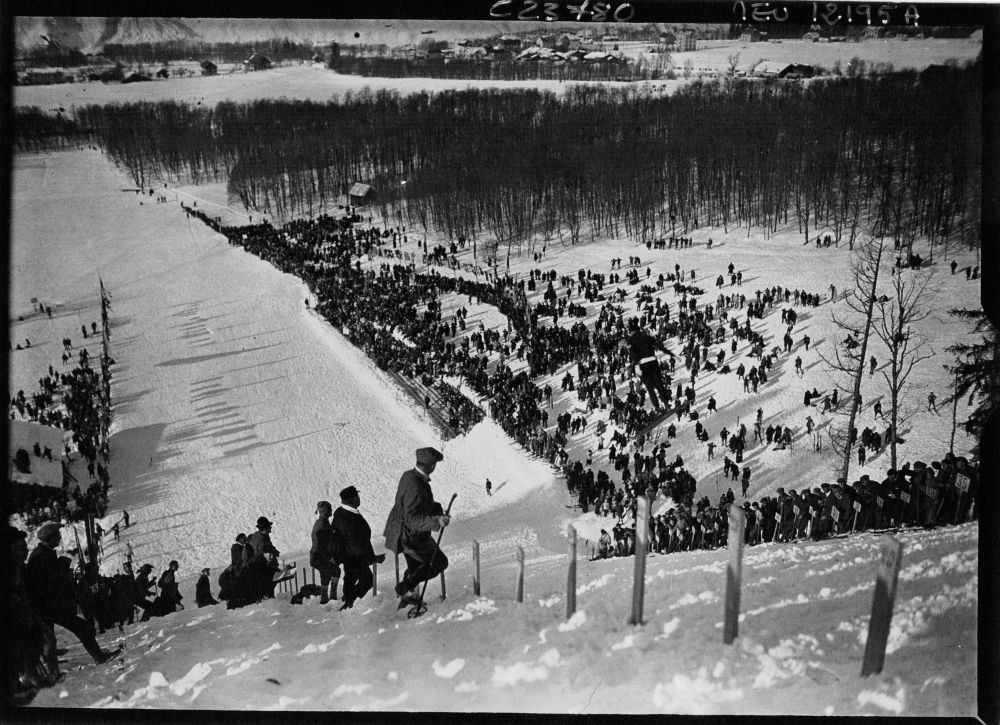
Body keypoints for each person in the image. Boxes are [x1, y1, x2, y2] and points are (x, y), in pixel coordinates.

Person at [24, 523, 119, 666]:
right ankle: (98, 657)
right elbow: (52, 580)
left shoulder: (43, 552)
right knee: (79, 626)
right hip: (46, 604)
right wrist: (63, 563)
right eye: (57, 535)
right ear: (50, 539)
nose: (60, 537)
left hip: (45, 603)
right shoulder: (42, 556)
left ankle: (50, 662)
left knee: (48, 636)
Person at [383, 447, 452, 607]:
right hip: (409, 536)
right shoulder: (415, 484)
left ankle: (408, 597)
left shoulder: (409, 476)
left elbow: (413, 504)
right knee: (439, 562)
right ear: (432, 466)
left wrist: (436, 509)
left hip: (403, 532)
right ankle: (404, 588)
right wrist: (437, 521)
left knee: (416, 568)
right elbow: (411, 518)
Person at [333, 486, 386, 610]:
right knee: (367, 580)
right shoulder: (350, 520)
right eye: (357, 496)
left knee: (350, 579)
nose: (359, 498)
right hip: (355, 557)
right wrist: (373, 559)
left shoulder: (341, 513)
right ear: (353, 499)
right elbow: (357, 545)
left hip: (348, 557)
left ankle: (348, 602)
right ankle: (350, 602)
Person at [626, 318, 672, 412]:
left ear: (631, 331)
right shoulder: (646, 336)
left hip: (643, 365)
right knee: (659, 384)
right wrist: (669, 352)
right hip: (653, 362)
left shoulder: (631, 340)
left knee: (650, 387)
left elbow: (633, 354)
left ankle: (657, 406)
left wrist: (637, 366)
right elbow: (657, 345)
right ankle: (666, 403)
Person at [310, 501, 342, 605]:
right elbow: (321, 547)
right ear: (326, 511)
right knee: (336, 571)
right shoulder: (321, 526)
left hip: (318, 557)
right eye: (330, 509)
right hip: (318, 557)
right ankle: (332, 599)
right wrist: (331, 559)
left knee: (325, 576)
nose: (332, 510)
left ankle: (324, 600)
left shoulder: (324, 523)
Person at [249, 516, 281, 599]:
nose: (271, 527)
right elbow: (259, 554)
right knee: (270, 580)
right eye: (269, 526)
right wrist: (270, 554)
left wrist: (274, 550)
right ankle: (267, 596)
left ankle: (269, 596)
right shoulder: (261, 540)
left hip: (266, 564)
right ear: (265, 528)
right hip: (263, 566)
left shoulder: (262, 536)